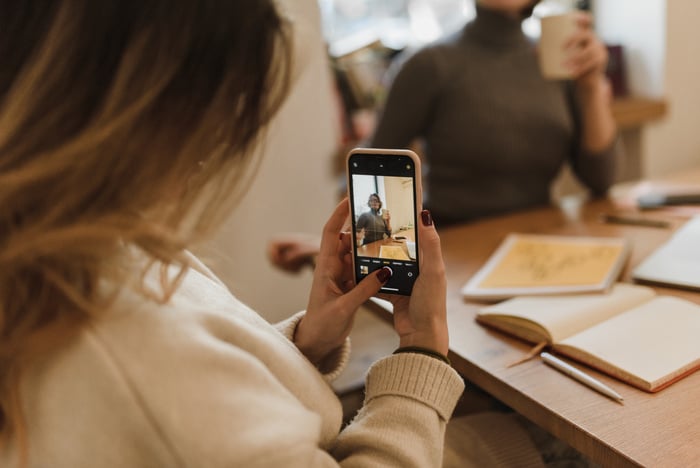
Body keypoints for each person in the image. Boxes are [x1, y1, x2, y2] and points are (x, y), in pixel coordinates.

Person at [0, 1, 467, 467]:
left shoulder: (92, 244)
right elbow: (185, 395)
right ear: (139, 111)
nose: (210, 154)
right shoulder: (125, 354)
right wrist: (422, 347)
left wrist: (308, 343)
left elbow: (215, 393)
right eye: (215, 116)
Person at [370, 0, 619, 226]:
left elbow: (601, 179)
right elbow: (371, 175)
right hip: (454, 246)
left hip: (539, 242)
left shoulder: (555, 61)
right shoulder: (429, 65)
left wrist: (591, 87)